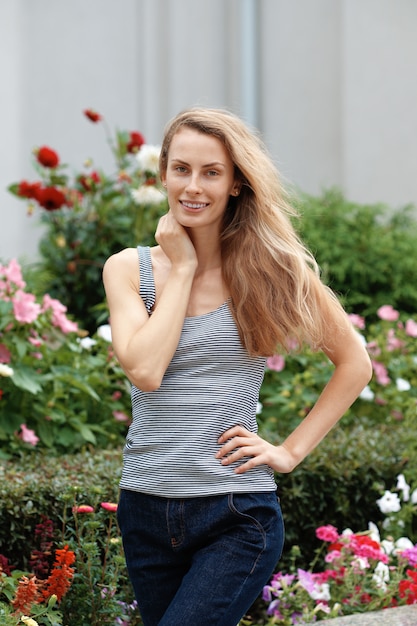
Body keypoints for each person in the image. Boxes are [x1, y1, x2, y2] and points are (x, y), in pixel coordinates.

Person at [102, 107, 372, 626]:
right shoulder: (128, 269)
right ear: (163, 172)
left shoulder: (273, 269)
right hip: (145, 506)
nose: (193, 187)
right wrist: (181, 267)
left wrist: (289, 451)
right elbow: (145, 369)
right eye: (181, 169)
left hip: (235, 511)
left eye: (211, 173)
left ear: (236, 185)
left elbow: (354, 362)